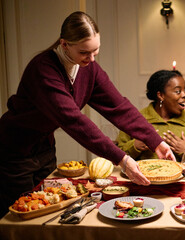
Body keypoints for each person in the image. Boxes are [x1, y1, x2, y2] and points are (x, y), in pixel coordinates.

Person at [0, 11, 175, 218]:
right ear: (64, 44)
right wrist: (122, 159)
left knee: (48, 214)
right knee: (21, 219)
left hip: (45, 149)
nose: (91, 59)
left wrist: (155, 142)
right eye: (85, 52)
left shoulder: (88, 67)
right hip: (14, 151)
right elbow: (74, 120)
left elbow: (119, 107)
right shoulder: (43, 69)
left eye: (96, 51)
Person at [117, 70, 185, 161]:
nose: (184, 95)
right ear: (161, 95)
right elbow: (116, 156)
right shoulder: (135, 120)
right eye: (178, 91)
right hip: (143, 176)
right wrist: (135, 146)